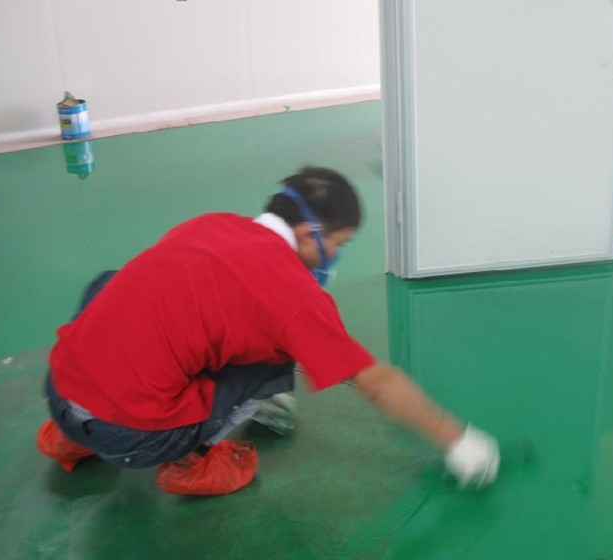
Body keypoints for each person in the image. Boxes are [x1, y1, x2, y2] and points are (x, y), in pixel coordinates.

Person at [37, 166, 500, 495]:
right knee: (273, 358)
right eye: (339, 243)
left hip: (59, 389)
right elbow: (375, 383)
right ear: (310, 232)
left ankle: (68, 437)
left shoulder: (212, 223)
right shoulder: (293, 296)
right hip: (132, 438)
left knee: (113, 285)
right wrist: (457, 439)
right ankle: (188, 464)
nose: (337, 255)